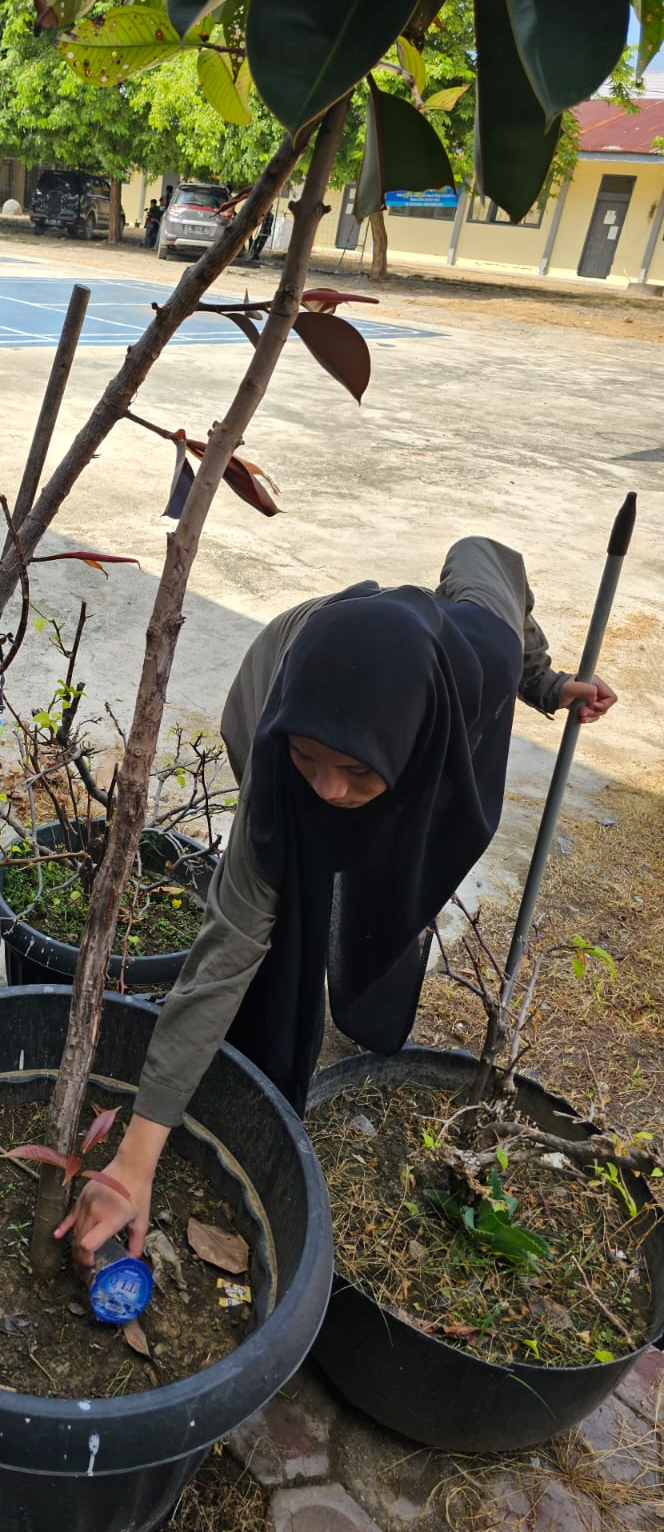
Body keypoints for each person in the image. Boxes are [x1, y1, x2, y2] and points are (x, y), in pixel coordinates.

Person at [58, 537, 617, 1267]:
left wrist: (545, 682)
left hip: (382, 697)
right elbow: (223, 953)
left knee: (376, 880)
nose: (328, 789)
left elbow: (485, 554)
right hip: (280, 685)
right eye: (312, 763)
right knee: (274, 917)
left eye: (354, 772)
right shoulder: (284, 770)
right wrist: (133, 1162)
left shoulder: (488, 647)